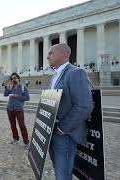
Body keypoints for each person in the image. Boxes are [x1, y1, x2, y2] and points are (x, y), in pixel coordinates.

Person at [47, 43, 93, 180]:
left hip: (65, 135)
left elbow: (85, 106)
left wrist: (63, 128)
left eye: (51, 53)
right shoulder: (54, 76)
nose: (47, 56)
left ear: (64, 54)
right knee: (59, 170)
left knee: (63, 175)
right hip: (52, 132)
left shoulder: (75, 73)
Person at [4, 72, 30, 148]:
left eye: (14, 78)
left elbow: (27, 98)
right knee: (12, 125)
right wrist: (7, 87)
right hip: (10, 109)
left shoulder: (23, 87)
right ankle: (15, 138)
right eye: (12, 78)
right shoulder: (11, 87)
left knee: (22, 125)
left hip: (19, 109)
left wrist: (17, 96)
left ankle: (26, 142)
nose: (13, 79)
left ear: (18, 78)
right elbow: (5, 94)